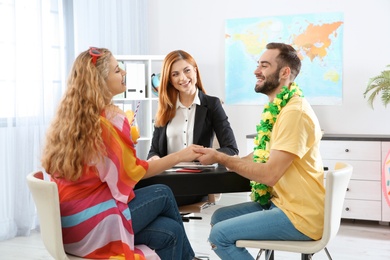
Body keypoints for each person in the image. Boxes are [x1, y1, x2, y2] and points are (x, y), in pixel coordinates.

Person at [40, 47, 203, 260]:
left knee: (170, 230)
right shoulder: (109, 121)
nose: (124, 74)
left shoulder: (71, 119)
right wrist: (181, 155)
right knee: (162, 192)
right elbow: (135, 172)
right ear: (99, 81)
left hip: (69, 226)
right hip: (94, 225)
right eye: (117, 70)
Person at [194, 42, 325, 259]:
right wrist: (229, 160)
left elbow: (270, 174)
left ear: (284, 72)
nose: (256, 70)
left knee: (219, 235)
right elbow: (262, 154)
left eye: (264, 65)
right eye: (258, 65)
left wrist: (221, 157)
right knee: (219, 217)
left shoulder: (294, 113)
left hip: (300, 216)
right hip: (283, 204)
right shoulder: (281, 107)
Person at [147, 50, 239, 206]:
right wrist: (154, 159)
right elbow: (154, 151)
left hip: (196, 182)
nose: (182, 78)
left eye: (187, 70)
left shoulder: (212, 105)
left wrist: (208, 154)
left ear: (195, 70)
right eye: (175, 74)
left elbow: (231, 149)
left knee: (153, 200)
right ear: (169, 79)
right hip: (166, 179)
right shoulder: (164, 108)